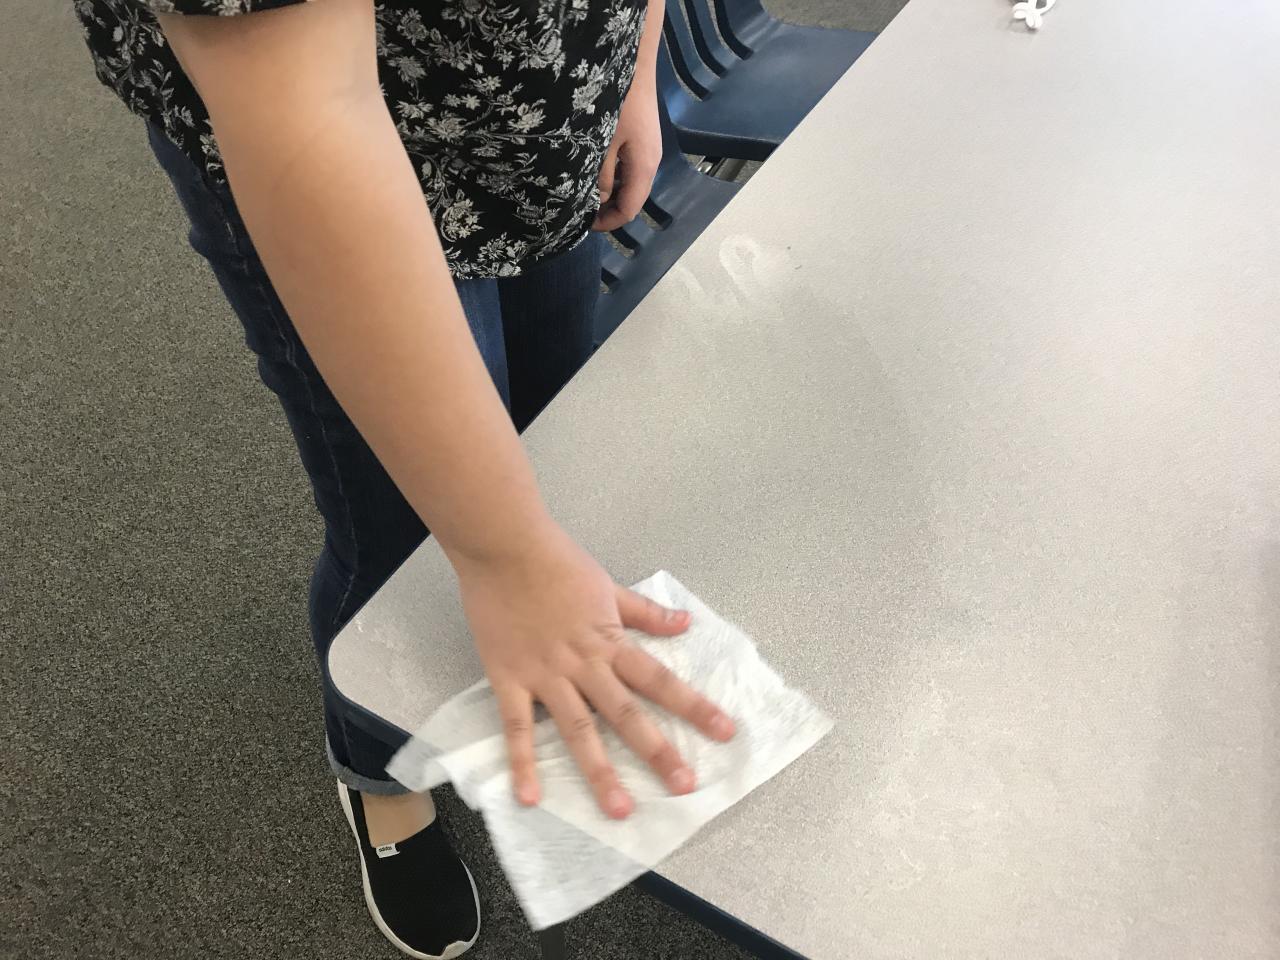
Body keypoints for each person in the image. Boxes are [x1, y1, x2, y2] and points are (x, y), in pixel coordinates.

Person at [73, 0, 736, 956]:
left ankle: (525, 641)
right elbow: (302, 103)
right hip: (329, 149)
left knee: (550, 443)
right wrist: (505, 556)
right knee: (401, 541)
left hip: (547, 88)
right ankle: (379, 778)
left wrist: (633, 62)